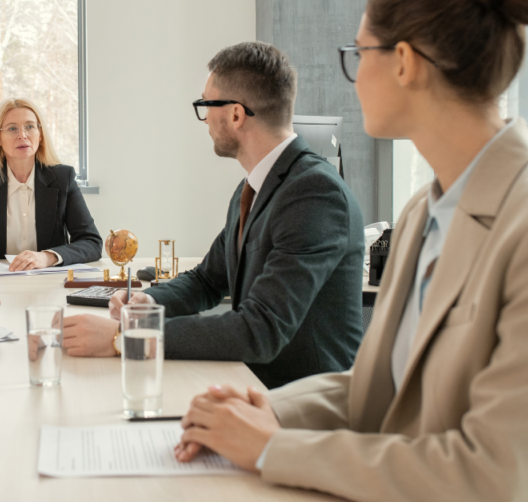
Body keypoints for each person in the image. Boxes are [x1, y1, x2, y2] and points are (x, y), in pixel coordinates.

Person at [175, 1, 528, 500]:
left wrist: (273, 447)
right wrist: (268, 409)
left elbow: (491, 473)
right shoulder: (424, 214)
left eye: (357, 54)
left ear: (403, 62)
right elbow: (379, 387)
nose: (354, 77)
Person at [62, 42, 366, 389]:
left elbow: (260, 330)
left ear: (236, 115)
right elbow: (207, 280)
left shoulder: (314, 195)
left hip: (305, 405)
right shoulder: (252, 187)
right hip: (253, 384)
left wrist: (126, 334)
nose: (204, 118)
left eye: (206, 105)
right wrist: (149, 299)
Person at [0, 98, 102, 272]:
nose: (22, 135)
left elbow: (92, 243)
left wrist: (47, 257)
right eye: (12, 128)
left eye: (30, 127)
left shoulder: (63, 178)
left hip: (47, 280)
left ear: (40, 135)